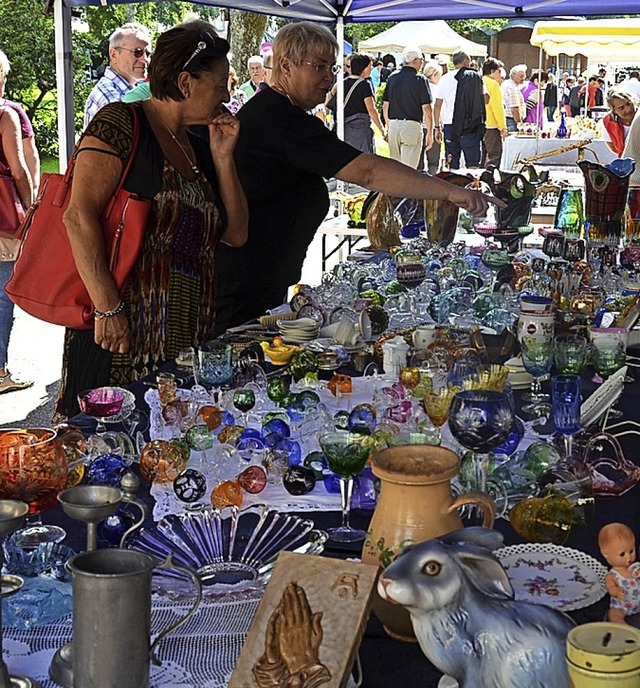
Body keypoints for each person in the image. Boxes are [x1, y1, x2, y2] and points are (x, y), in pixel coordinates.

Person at [213, 22, 498, 335]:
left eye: (332, 67)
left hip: (260, 282)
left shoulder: (284, 114)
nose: (329, 76)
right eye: (318, 66)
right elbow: (368, 171)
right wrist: (448, 193)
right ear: (285, 66)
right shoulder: (279, 118)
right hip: (243, 288)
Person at [57, 20, 248, 418]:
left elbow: (235, 234)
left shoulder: (197, 143)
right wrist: (108, 310)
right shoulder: (121, 123)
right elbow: (78, 216)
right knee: (109, 455)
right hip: (119, 339)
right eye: (219, 85)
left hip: (182, 342)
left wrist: (224, 158)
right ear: (185, 82)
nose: (227, 95)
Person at [0, 49, 38, 394]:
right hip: (2, 220)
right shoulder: (5, 115)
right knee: (1, 294)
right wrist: (31, 206)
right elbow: (19, 168)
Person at [83, 22, 151, 128]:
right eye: (137, 52)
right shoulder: (112, 98)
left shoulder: (129, 91)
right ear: (114, 54)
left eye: (148, 54)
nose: (145, 60)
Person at [434, 51, 486, 169]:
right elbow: (486, 98)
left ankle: (453, 184)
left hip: (450, 123)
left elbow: (437, 105)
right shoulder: (474, 76)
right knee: (472, 162)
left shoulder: (445, 78)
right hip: (469, 124)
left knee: (452, 161)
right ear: (466, 61)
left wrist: (437, 126)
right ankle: (471, 185)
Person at [382, 46, 432, 169]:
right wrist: (430, 132)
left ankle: (395, 188)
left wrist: (389, 125)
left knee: (396, 168)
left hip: (394, 124)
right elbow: (427, 108)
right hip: (411, 126)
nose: (421, 63)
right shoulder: (420, 79)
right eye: (421, 60)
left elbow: (385, 105)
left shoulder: (393, 77)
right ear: (415, 61)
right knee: (408, 170)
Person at [341, 53, 385, 154]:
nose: (372, 68)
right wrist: (382, 130)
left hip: (345, 128)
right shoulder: (365, 85)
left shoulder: (342, 83)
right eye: (370, 66)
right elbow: (371, 109)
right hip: (360, 129)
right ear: (363, 68)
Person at [598, 523, 640, 624]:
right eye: (622, 554)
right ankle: (618, 622)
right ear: (606, 555)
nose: (628, 558)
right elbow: (610, 587)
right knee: (614, 613)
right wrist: (616, 592)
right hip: (621, 606)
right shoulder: (612, 575)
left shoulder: (634, 568)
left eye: (631, 551)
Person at [482, 57, 507, 168]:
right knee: (494, 156)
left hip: (477, 123)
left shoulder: (478, 80)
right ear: (492, 72)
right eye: (499, 71)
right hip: (491, 124)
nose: (500, 75)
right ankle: (490, 179)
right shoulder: (493, 84)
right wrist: (503, 126)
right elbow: (497, 107)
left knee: (481, 156)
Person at [603, 88, 638, 157]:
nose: (628, 109)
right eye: (621, 108)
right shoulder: (608, 122)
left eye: (629, 103)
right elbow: (611, 145)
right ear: (614, 110)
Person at [423, 60, 443, 174]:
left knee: (419, 161)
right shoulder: (437, 89)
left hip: (420, 125)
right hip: (434, 126)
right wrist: (438, 126)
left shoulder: (419, 86)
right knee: (433, 161)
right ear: (435, 75)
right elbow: (438, 110)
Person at [501, 64, 527, 132]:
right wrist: (520, 125)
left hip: (507, 120)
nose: (523, 78)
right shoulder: (512, 88)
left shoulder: (506, 84)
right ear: (513, 76)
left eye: (524, 76)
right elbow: (515, 109)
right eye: (521, 76)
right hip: (512, 121)